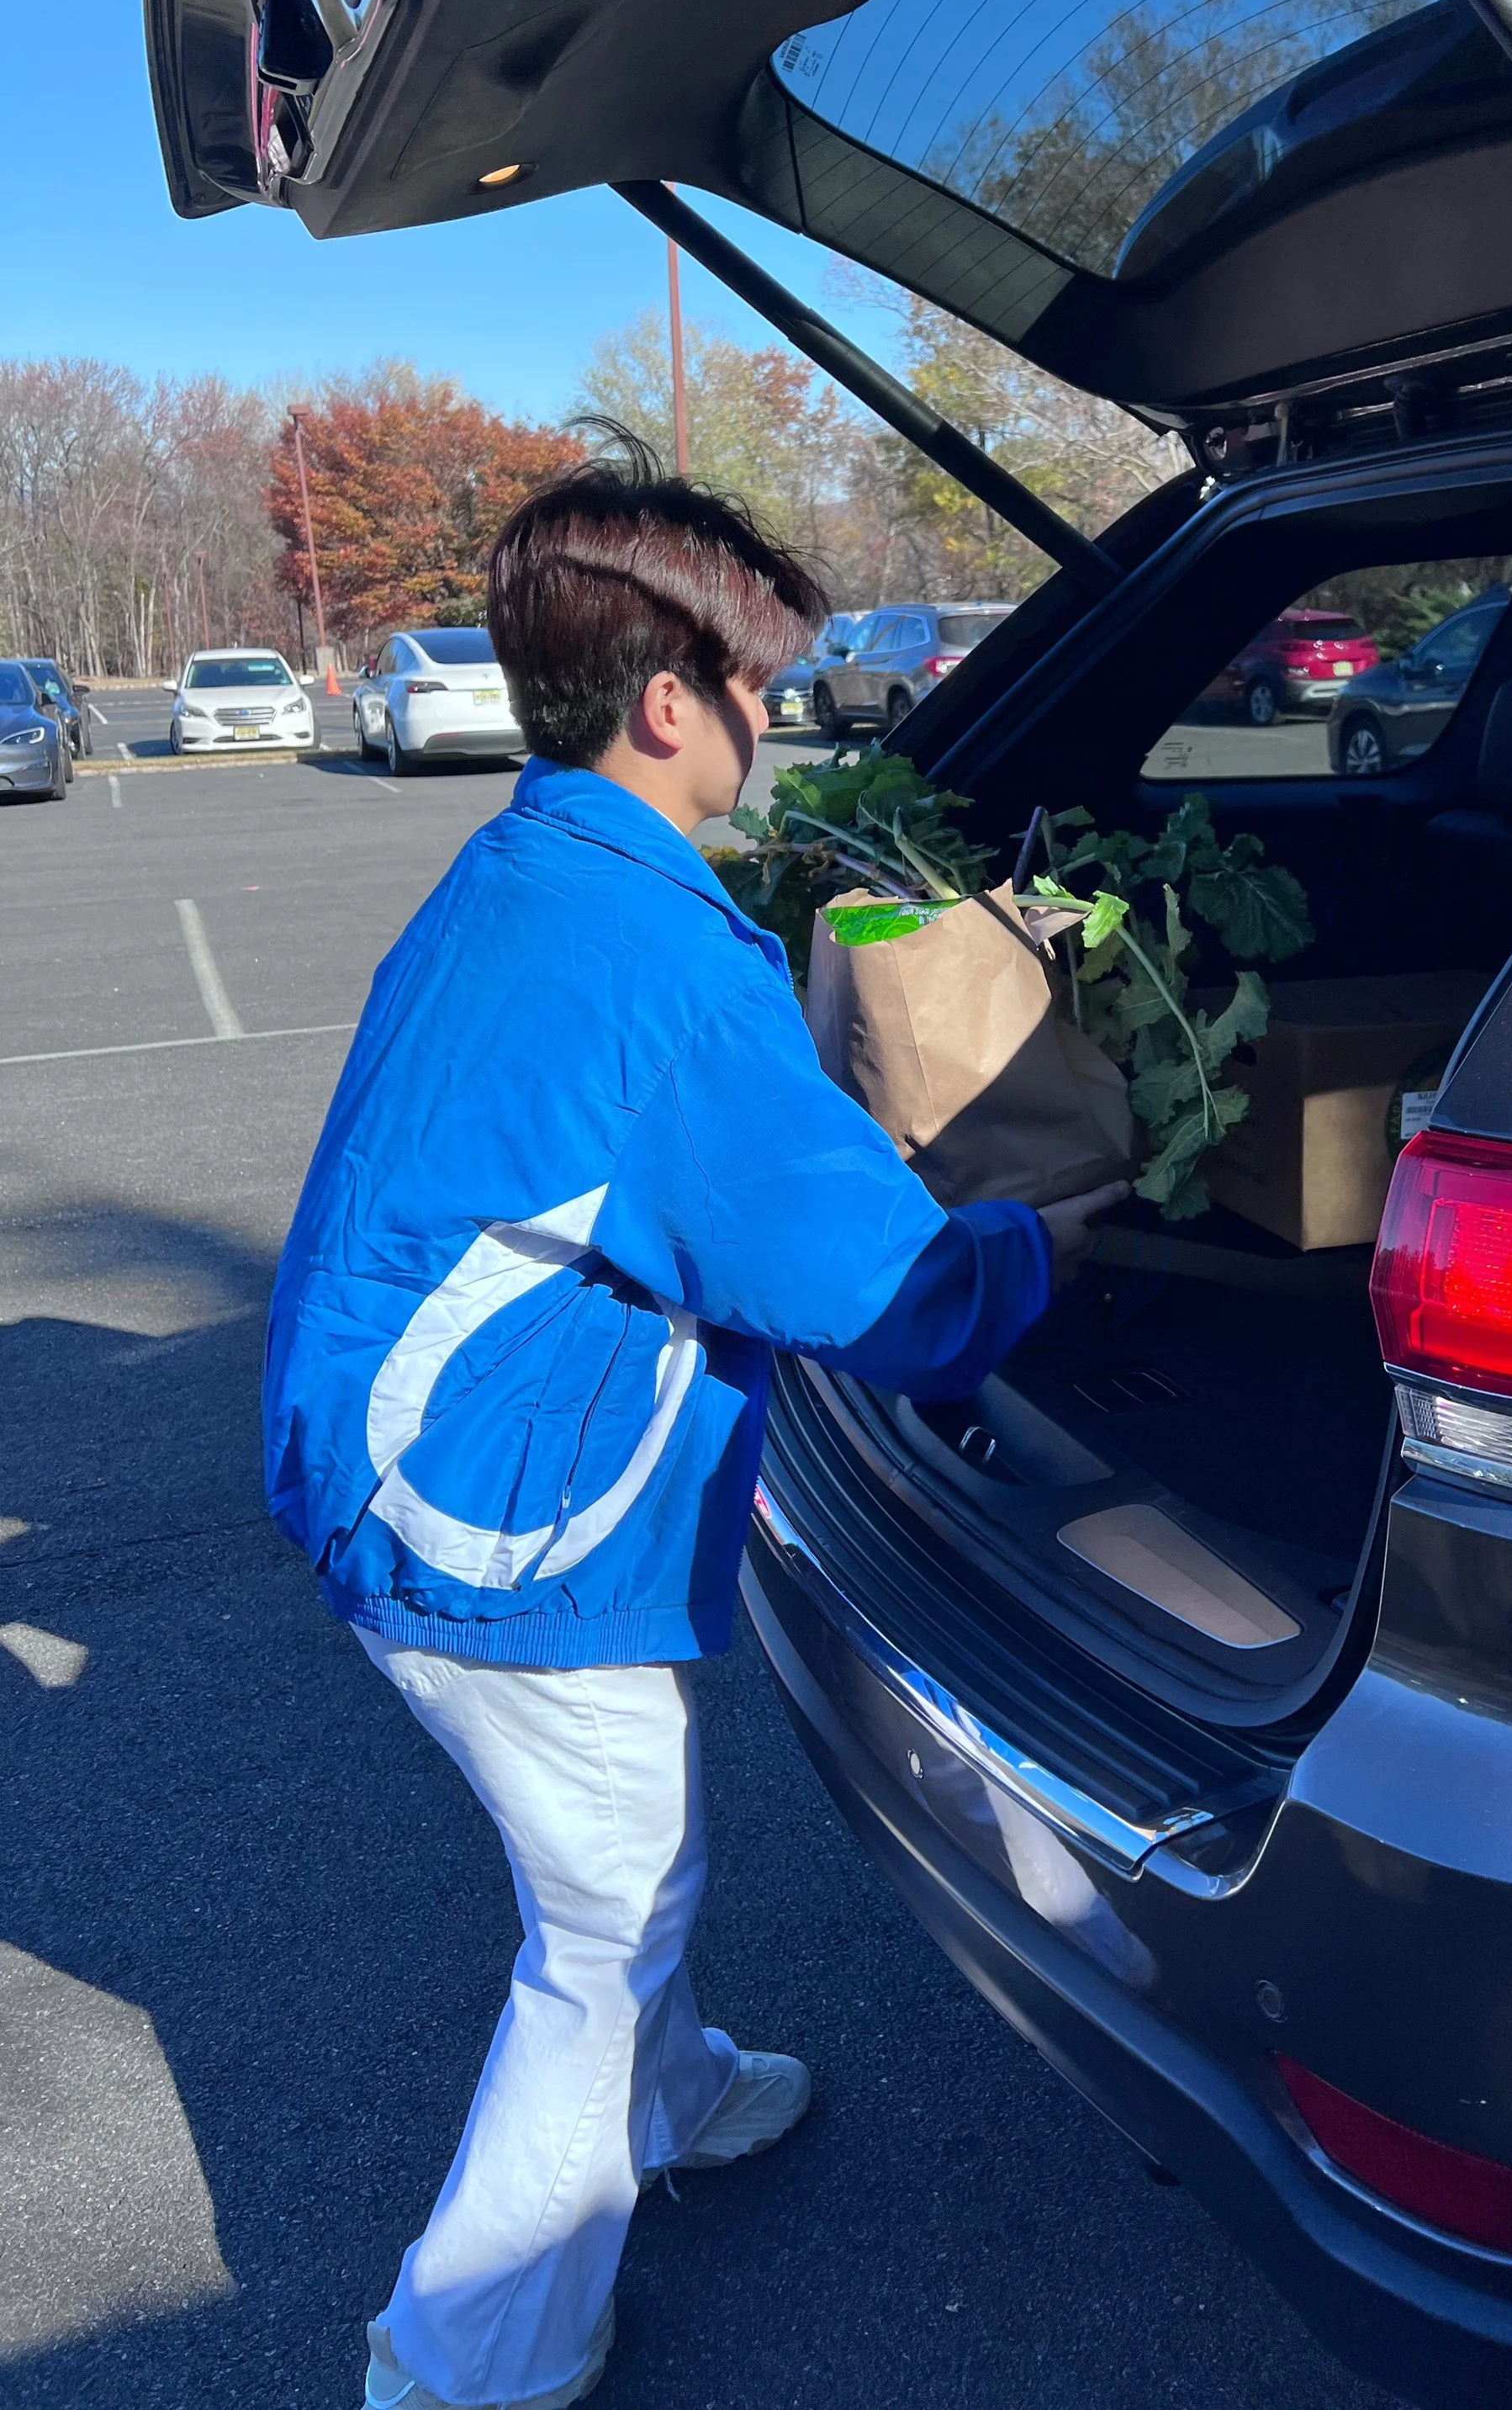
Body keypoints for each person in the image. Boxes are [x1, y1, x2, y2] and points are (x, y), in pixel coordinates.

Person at [263, 455, 1125, 2410]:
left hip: (377, 1445)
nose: (775, 719)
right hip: (476, 1511)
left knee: (611, 1850)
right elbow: (899, 1305)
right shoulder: (662, 974)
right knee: (606, 1904)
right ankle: (465, 2353)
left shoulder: (534, 870)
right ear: (672, 702)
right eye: (762, 687)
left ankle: (671, 2088)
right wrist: (1048, 1235)